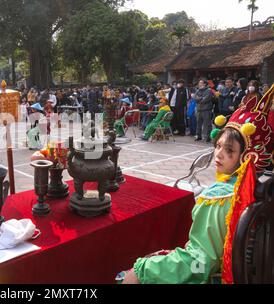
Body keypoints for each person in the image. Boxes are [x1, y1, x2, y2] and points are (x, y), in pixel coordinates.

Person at [117, 86, 274, 284]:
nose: (218, 154)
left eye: (229, 151)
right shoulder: (261, 189)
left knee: (134, 273)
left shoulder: (219, 198)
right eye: (218, 146)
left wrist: (145, 270)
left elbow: (200, 261)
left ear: (246, 157)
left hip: (213, 275)